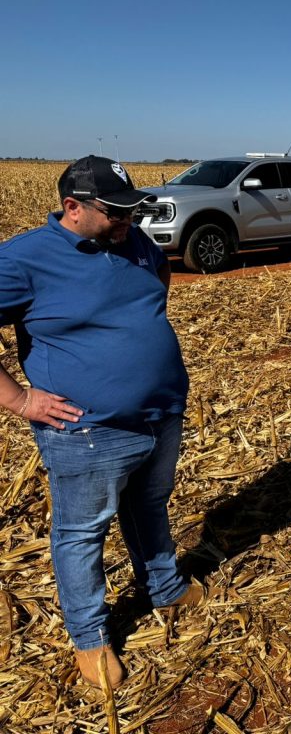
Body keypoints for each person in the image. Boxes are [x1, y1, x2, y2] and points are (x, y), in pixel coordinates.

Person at [0, 156, 201, 689]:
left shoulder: (131, 241)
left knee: (149, 506)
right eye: (115, 213)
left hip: (161, 412)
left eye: (132, 211)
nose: (127, 222)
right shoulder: (25, 260)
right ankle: (89, 637)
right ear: (73, 208)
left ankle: (164, 586)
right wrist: (20, 400)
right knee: (83, 532)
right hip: (89, 430)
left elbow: (157, 270)